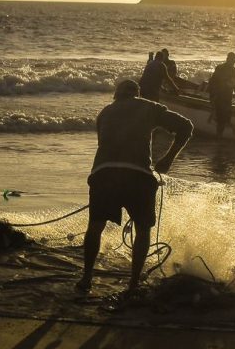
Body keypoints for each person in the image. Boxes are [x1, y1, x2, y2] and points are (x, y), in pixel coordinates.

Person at [76, 79, 193, 295]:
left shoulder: (104, 113)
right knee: (142, 228)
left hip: (103, 174)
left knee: (96, 226)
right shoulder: (148, 106)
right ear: (137, 95)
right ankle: (133, 283)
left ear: (116, 95)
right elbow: (186, 126)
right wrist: (168, 159)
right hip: (137, 175)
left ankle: (86, 278)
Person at [207, 52, 235, 137]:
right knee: (221, 120)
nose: (233, 61)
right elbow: (212, 82)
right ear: (227, 59)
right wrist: (212, 96)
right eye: (231, 59)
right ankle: (218, 137)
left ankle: (220, 136)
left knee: (226, 119)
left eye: (234, 60)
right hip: (218, 97)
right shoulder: (220, 68)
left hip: (228, 98)